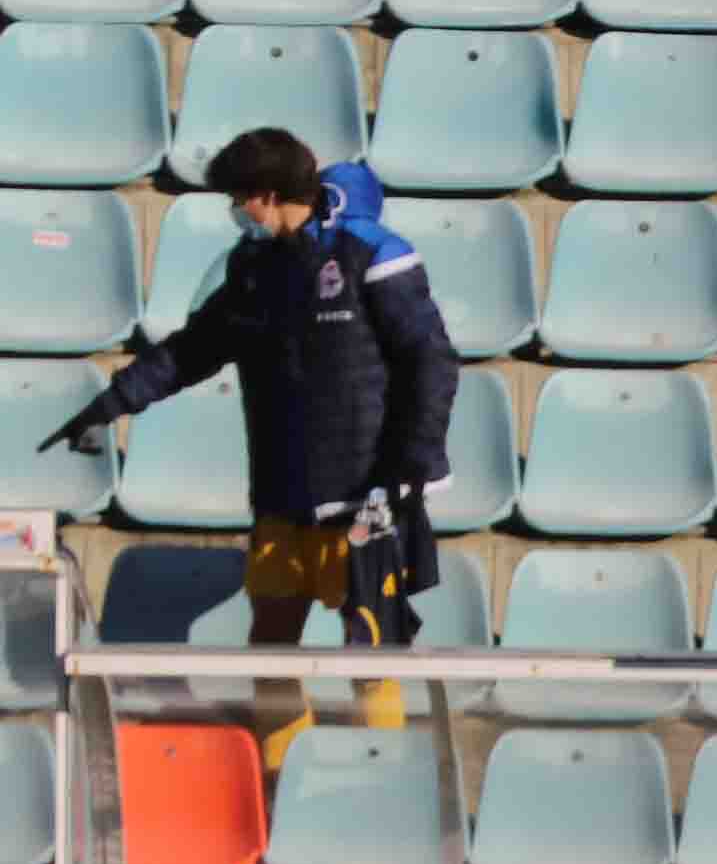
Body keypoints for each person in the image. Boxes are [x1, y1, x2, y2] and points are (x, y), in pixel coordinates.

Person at [36, 128, 455, 767]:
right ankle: (281, 790)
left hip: (365, 500)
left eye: (238, 198)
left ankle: (381, 796)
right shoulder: (254, 266)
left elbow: (431, 364)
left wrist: (409, 469)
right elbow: (192, 350)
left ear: (263, 196)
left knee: (371, 657)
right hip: (281, 498)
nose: (235, 211)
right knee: (270, 651)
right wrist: (112, 404)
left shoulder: (374, 254)